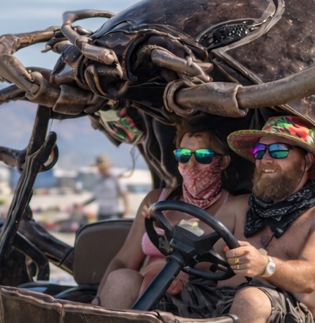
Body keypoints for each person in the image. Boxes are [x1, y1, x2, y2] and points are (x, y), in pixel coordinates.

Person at [157, 115, 315, 323]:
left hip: (288, 316)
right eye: (260, 151)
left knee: (250, 299)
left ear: (306, 161)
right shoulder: (240, 206)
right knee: (137, 284)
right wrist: (180, 268)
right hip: (217, 298)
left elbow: (310, 278)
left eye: (279, 151)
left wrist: (265, 266)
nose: (265, 159)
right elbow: (199, 244)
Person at [95, 122, 239, 309]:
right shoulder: (156, 199)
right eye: (184, 155)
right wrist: (97, 299)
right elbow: (124, 260)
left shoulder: (233, 206)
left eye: (203, 156)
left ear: (224, 161)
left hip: (196, 297)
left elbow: (234, 268)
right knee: (122, 278)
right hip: (146, 287)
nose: (191, 164)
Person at [84, 154, 129, 220]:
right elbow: (95, 197)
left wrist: (126, 212)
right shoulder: (98, 179)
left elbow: (124, 194)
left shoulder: (115, 178)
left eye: (102, 167)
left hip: (114, 213)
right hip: (101, 213)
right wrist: (82, 205)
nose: (99, 169)